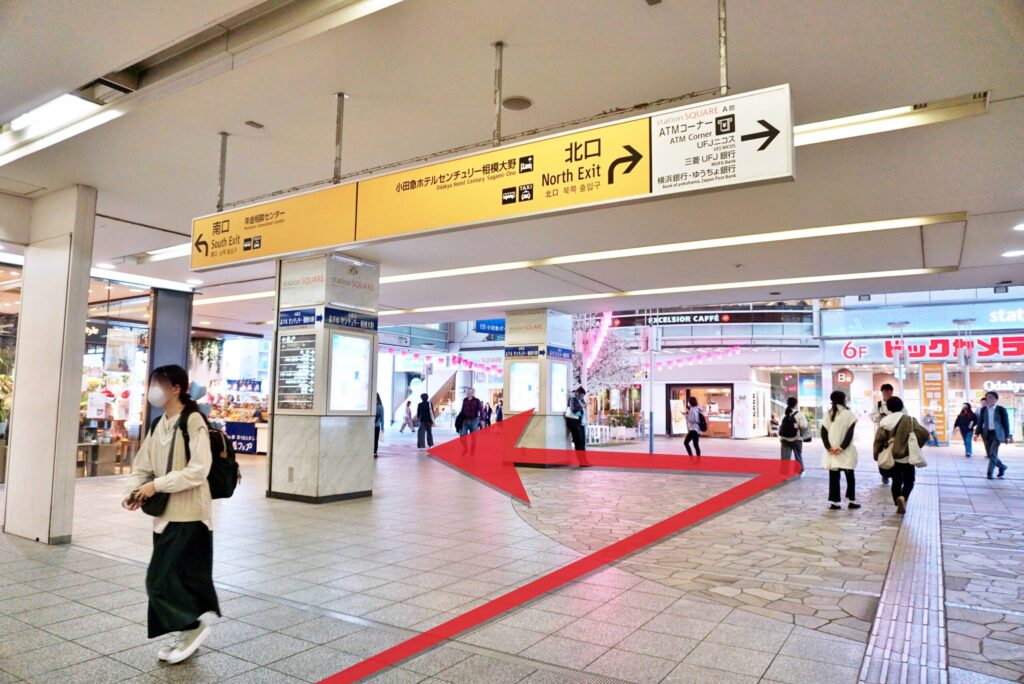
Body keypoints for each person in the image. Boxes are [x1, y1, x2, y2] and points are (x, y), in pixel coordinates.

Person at [122, 365, 219, 664]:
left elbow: (198, 470)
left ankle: (193, 627)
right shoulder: (158, 423)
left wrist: (156, 485)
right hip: (164, 516)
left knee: (159, 580)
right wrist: (134, 490)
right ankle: (188, 630)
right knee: (176, 578)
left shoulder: (193, 421)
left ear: (176, 388)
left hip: (189, 515)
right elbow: (142, 465)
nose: (153, 389)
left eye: (159, 383)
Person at [874, 396, 930, 514]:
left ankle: (897, 500)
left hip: (892, 457)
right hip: (907, 457)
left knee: (896, 481)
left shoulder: (885, 421)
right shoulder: (910, 420)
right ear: (902, 406)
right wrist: (915, 444)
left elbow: (879, 439)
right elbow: (924, 434)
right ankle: (903, 497)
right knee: (909, 480)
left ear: (888, 407)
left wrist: (876, 453)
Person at [822, 390, 860, 510]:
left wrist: (829, 447)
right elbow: (849, 434)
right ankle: (852, 501)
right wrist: (842, 448)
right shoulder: (849, 414)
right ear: (844, 399)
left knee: (834, 476)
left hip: (832, 451)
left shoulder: (829, 413)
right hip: (846, 451)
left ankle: (834, 502)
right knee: (850, 476)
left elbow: (823, 432)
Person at [975, 391, 1011, 479]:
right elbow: (980, 422)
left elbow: (1006, 424)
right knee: (990, 454)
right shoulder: (984, 409)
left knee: (992, 453)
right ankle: (1002, 467)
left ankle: (989, 473)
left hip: (997, 434)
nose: (989, 399)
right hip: (987, 434)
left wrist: (1007, 436)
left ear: (996, 399)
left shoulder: (1001, 409)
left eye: (991, 397)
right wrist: (976, 433)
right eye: (987, 398)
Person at [870, 383, 896, 484]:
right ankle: (884, 475)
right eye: (884, 391)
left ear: (892, 392)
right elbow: (872, 417)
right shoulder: (878, 405)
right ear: (882, 392)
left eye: (888, 391)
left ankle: (895, 474)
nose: (886, 393)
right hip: (883, 433)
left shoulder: (897, 402)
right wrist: (879, 416)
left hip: (895, 432)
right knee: (882, 453)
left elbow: (904, 414)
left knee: (895, 453)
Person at [779, 397, 808, 474]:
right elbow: (804, 426)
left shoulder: (783, 414)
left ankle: (784, 472)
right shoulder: (800, 414)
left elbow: (780, 426)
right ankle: (799, 471)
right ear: (796, 404)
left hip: (784, 439)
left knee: (785, 457)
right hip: (797, 439)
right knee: (798, 455)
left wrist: (781, 438)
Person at [566, 387, 587, 452]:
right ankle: (580, 457)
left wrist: (583, 406)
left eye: (583, 396)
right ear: (578, 393)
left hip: (581, 423)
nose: (582, 397)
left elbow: (584, 408)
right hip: (575, 423)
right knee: (578, 441)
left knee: (583, 441)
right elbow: (573, 409)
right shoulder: (573, 399)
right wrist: (582, 406)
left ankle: (583, 457)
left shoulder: (582, 400)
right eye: (581, 395)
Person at [374, 393, 384, 458]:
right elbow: (382, 418)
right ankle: (374, 452)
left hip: (370, 426)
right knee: (375, 440)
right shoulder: (380, 406)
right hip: (377, 426)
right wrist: (382, 427)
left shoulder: (371, 406)